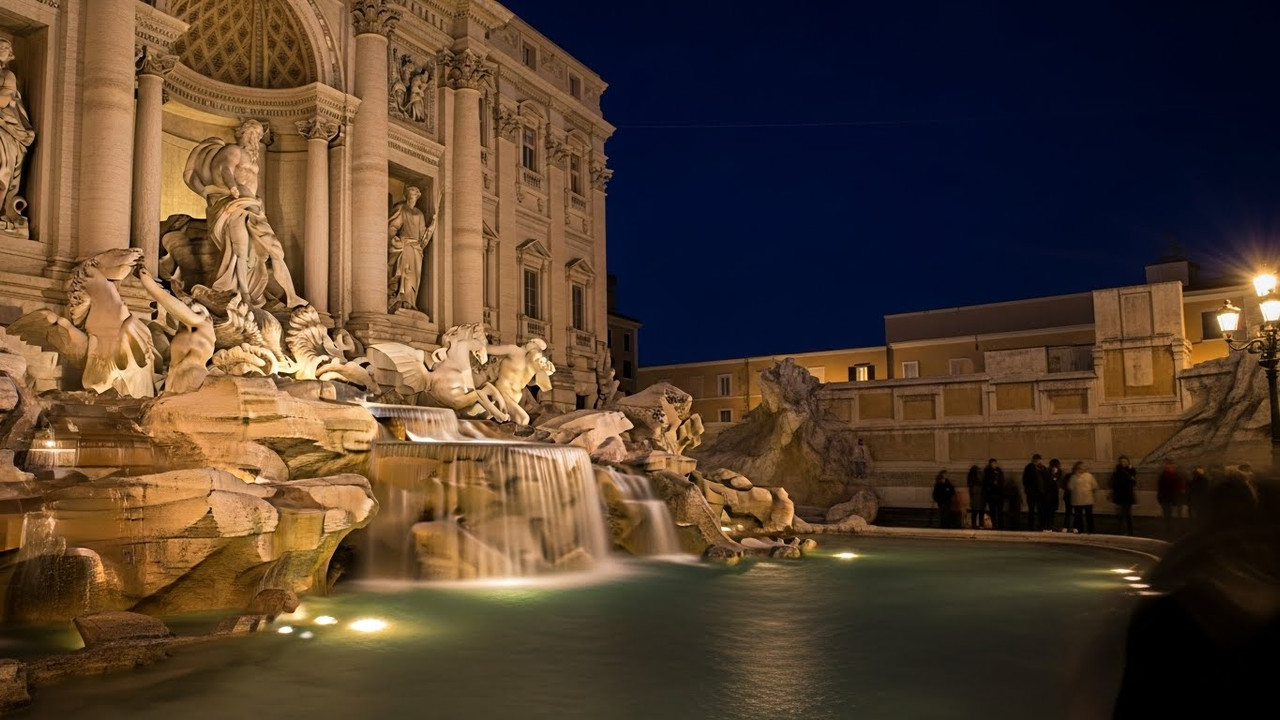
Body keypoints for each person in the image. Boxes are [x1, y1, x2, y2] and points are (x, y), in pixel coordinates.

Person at [182, 119, 306, 309]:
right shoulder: (233, 150)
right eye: (250, 133)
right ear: (241, 133)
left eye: (257, 135)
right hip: (234, 205)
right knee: (240, 251)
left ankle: (291, 296)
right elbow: (225, 168)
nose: (254, 138)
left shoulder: (253, 158)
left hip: (254, 207)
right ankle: (244, 294)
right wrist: (232, 186)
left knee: (275, 251)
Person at [0, 37, 35, 233]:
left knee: (3, 164)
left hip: (6, 127)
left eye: (5, 48)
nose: (1, 50)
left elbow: (5, 99)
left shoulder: (7, 74)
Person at [387, 186, 438, 312]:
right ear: (406, 196)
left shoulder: (419, 214)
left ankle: (410, 301)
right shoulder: (402, 209)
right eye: (409, 194)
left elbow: (422, 235)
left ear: (417, 197)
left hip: (416, 249)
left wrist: (432, 225)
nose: (411, 197)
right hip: (404, 245)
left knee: (414, 277)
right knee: (404, 273)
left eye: (414, 195)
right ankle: (400, 299)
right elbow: (393, 226)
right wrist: (393, 238)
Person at [1110, 455, 1138, 536]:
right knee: (1120, 515)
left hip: (1128, 495)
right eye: (1122, 462)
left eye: (1125, 461)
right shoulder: (1117, 472)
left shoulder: (1131, 470)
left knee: (1128, 515)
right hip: (1120, 495)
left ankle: (1130, 532)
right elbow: (1113, 483)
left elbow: (1134, 482)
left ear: (1128, 462)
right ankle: (1120, 531)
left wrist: (1129, 471)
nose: (1123, 463)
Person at [1156, 459, 1186, 536]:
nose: (1169, 467)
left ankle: (1175, 530)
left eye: (1170, 466)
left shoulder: (1176, 476)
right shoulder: (1164, 476)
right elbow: (1160, 488)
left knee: (1174, 515)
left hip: (1174, 498)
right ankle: (1169, 529)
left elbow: (1180, 487)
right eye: (1168, 466)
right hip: (1166, 498)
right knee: (1167, 515)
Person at [1067, 461, 1098, 533]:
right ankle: (1084, 530)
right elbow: (1070, 487)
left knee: (1085, 516)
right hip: (1081, 499)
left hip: (1084, 499)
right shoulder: (1075, 477)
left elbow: (1070, 487)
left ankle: (1086, 530)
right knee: (1082, 516)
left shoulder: (1086, 476)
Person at [1022, 454, 1047, 531]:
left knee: (1040, 510)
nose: (1037, 462)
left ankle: (1040, 525)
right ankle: (1031, 526)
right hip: (1032, 492)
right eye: (1036, 460)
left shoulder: (1043, 468)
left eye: (1038, 460)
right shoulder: (1029, 468)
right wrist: (1028, 490)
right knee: (1032, 510)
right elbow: (1025, 480)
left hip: (1040, 493)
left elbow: (1046, 479)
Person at [982, 458, 1004, 530]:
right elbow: (986, 483)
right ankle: (994, 524)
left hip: (999, 494)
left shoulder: (999, 471)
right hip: (991, 495)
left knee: (1000, 511)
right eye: (993, 464)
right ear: (990, 464)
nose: (994, 465)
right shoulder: (987, 472)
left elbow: (1002, 480)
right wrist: (993, 483)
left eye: (995, 463)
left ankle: (1001, 524)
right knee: (993, 511)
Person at [1040, 458, 1061, 531]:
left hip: (1053, 496)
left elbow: (1057, 483)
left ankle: (1050, 526)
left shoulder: (1057, 473)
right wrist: (1054, 476)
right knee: (1048, 512)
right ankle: (1047, 526)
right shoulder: (1047, 473)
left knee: (1051, 512)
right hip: (1048, 496)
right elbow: (1051, 483)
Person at [966, 464, 985, 529]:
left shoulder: (971, 479)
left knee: (975, 512)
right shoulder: (979, 478)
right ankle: (980, 524)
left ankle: (974, 524)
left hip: (976, 498)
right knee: (979, 512)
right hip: (979, 497)